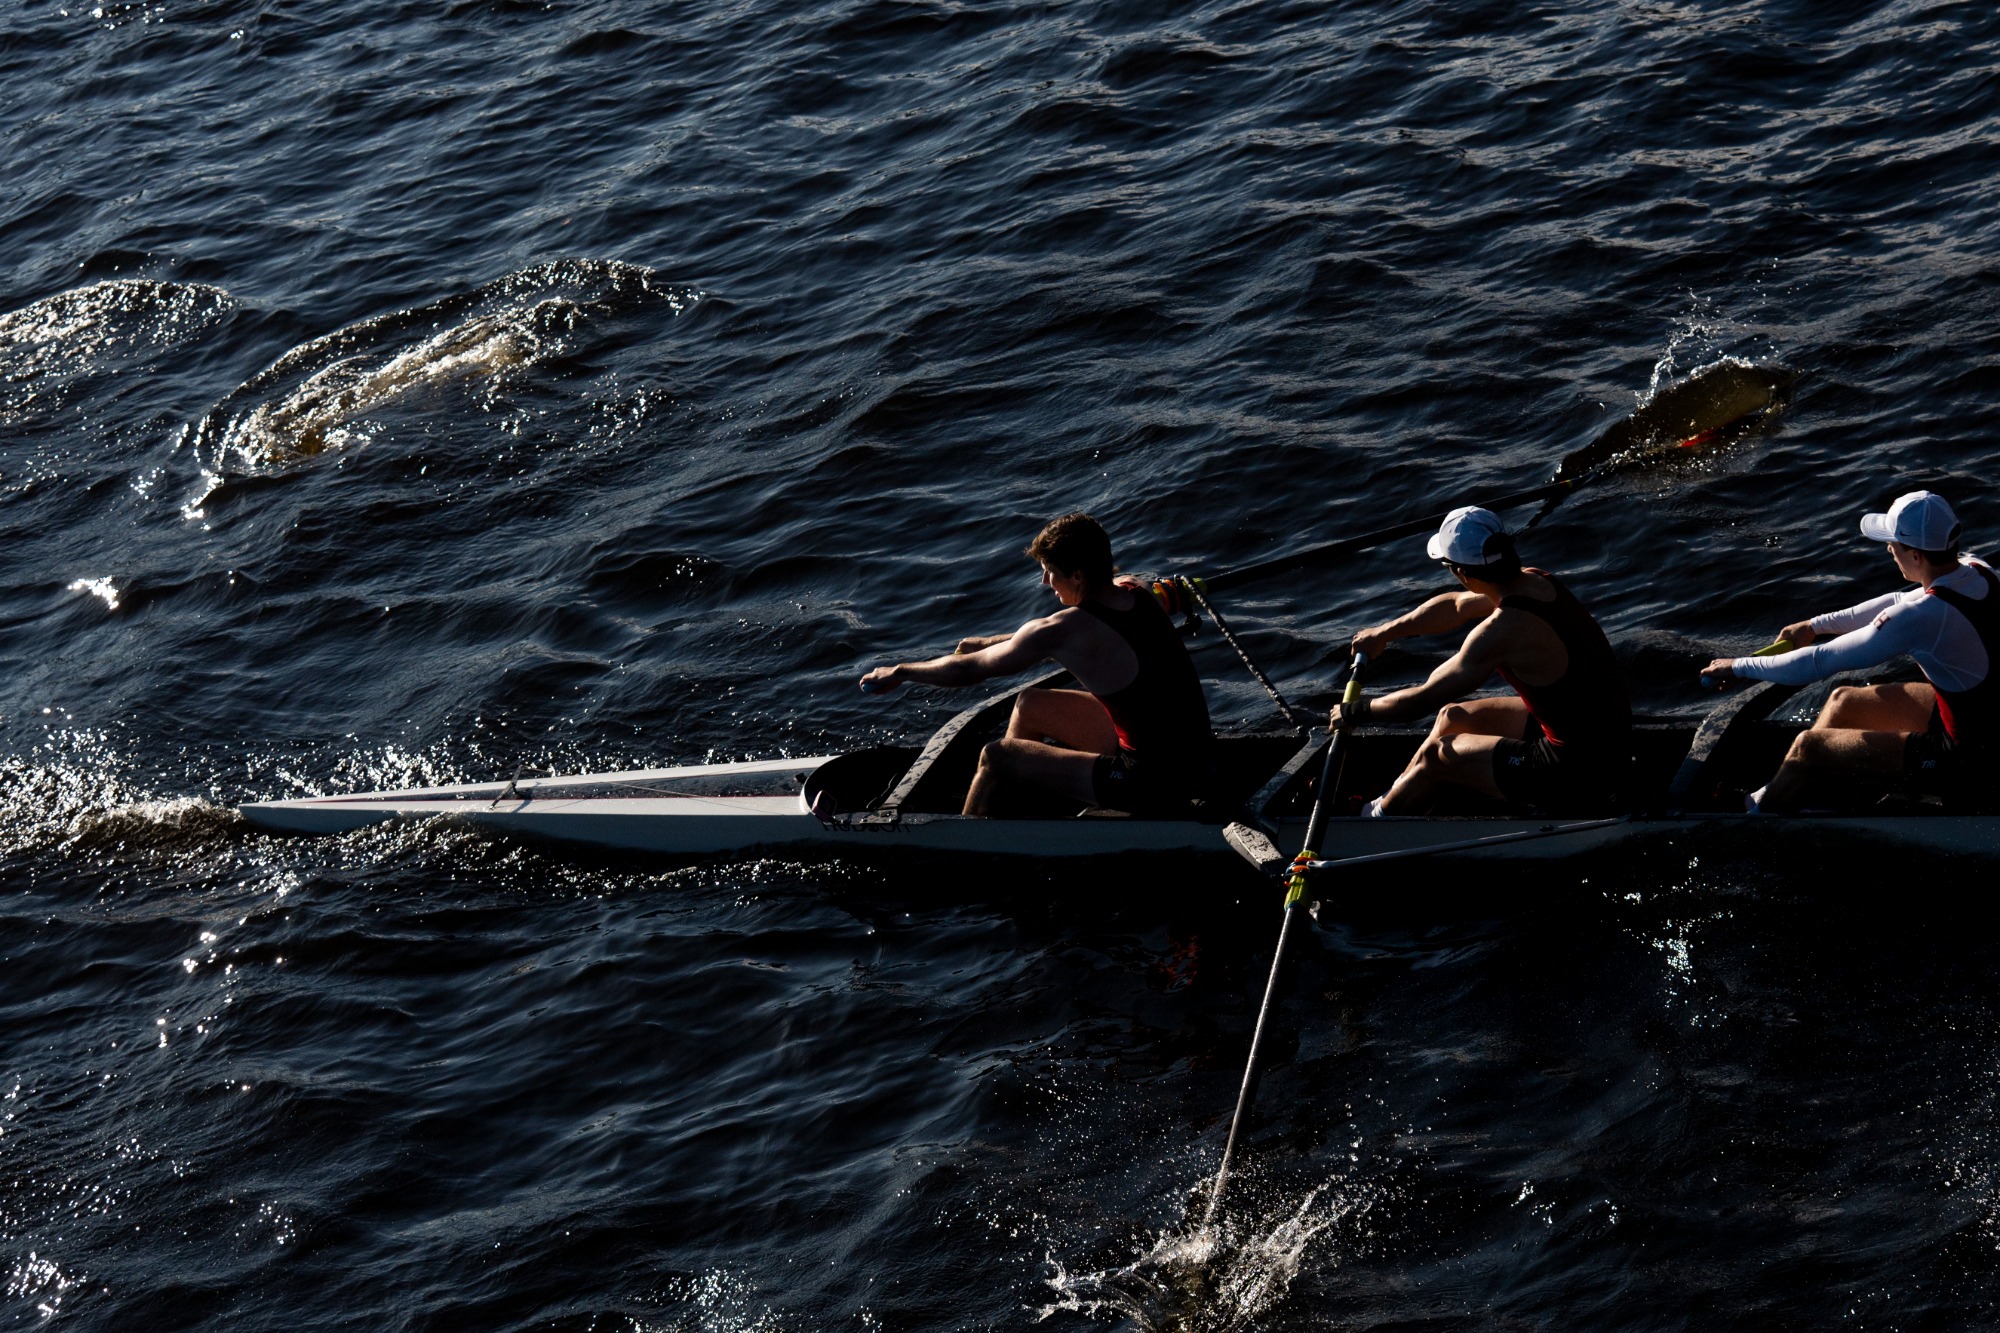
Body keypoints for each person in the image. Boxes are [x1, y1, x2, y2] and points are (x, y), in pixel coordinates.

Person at [859, 513, 1214, 816]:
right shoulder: (1134, 588)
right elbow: (1038, 638)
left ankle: (970, 841)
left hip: (1151, 781)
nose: (1045, 581)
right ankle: (1019, 800)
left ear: (1077, 575)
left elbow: (967, 670)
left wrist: (900, 671)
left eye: (1049, 571)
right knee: (1031, 704)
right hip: (1193, 755)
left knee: (995, 756)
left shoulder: (1067, 628)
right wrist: (980, 644)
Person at [1702, 490, 1997, 812]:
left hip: (1969, 758)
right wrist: (1814, 625)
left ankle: (1752, 822)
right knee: (1843, 700)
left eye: (1893, 544)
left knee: (1806, 747)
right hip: (1979, 718)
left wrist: (1737, 666)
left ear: (1915, 556)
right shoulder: (1977, 569)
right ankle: (1789, 792)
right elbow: (1897, 600)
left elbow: (1818, 661)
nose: (1888, 548)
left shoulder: (1925, 616)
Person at [1329, 506, 1632, 815]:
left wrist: (1354, 711)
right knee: (1453, 716)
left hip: (1578, 770)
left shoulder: (1501, 631)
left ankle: (1371, 821)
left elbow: (1420, 701)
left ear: (1462, 572)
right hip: (1604, 733)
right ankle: (1398, 796)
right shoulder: (1535, 580)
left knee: (1436, 755)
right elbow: (1457, 607)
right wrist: (1384, 633)